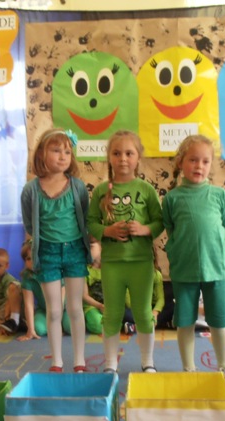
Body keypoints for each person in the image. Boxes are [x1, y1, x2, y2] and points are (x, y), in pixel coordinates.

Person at [162, 134, 225, 391]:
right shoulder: (172, 198)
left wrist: (221, 251)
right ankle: (189, 370)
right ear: (181, 162)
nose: (199, 166)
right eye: (193, 160)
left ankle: (224, 367)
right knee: (185, 320)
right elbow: (171, 231)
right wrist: (177, 253)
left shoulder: (220, 195)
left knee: (219, 320)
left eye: (205, 161)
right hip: (184, 270)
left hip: (215, 269)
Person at [88, 130, 164, 373]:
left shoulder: (146, 189)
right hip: (112, 264)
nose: (123, 158)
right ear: (109, 157)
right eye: (117, 153)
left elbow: (159, 222)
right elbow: (91, 223)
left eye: (129, 153)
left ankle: (147, 362)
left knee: (143, 313)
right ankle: (110, 364)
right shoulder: (101, 191)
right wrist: (106, 231)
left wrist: (144, 229)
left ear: (138, 157)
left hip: (141, 263)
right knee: (112, 314)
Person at [21, 128, 91, 372]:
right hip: (47, 253)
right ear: (42, 153)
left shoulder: (77, 187)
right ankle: (57, 361)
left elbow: (85, 218)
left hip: (74, 251)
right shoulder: (31, 189)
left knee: (75, 308)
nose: (62, 156)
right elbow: (29, 224)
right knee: (53, 310)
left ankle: (80, 360)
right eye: (56, 150)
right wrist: (38, 248)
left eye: (67, 152)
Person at [83, 240, 105, 335]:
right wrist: (99, 306)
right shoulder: (85, 270)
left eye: (91, 247)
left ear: (100, 247)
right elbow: (84, 296)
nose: (88, 250)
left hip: (107, 306)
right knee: (98, 325)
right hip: (91, 307)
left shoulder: (108, 268)